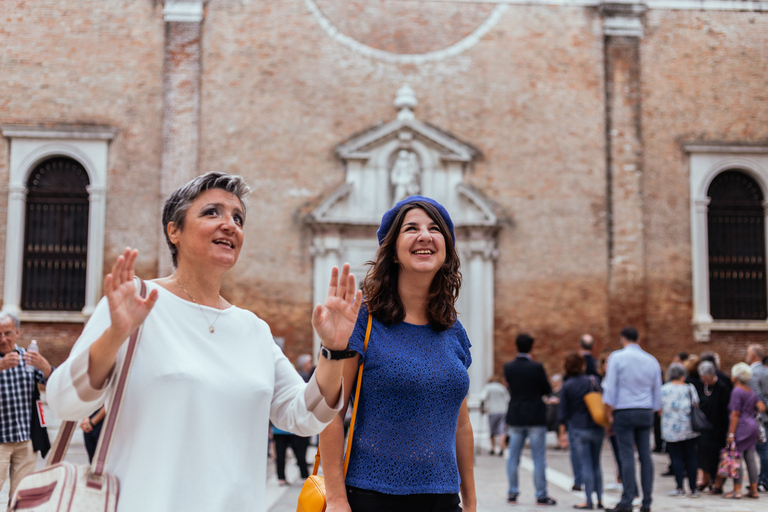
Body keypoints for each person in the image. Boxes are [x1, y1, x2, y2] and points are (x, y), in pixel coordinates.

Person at [46, 172, 362, 512]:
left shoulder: (252, 329)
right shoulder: (134, 303)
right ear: (174, 230)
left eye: (237, 218)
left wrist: (333, 350)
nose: (230, 225)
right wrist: (114, 336)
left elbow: (304, 416)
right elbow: (64, 402)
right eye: (212, 212)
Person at [319, 195, 476, 512]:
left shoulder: (453, 330)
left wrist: (470, 501)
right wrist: (336, 499)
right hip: (372, 497)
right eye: (411, 228)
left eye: (435, 229)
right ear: (392, 251)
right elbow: (331, 412)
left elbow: (460, 424)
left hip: (444, 500)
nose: (425, 235)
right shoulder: (364, 321)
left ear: (445, 251)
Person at [603, 327, 662, 512]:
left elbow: (610, 387)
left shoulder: (617, 357)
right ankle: (647, 502)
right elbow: (657, 389)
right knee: (645, 455)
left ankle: (627, 500)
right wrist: (654, 408)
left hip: (624, 410)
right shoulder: (651, 360)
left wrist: (608, 410)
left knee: (626, 455)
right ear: (638, 339)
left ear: (622, 339)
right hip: (645, 410)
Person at [0, 312, 54, 508]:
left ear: (17, 332)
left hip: (26, 438)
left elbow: (55, 383)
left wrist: (46, 367)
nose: (3, 339)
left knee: (21, 497)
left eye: (7, 333)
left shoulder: (28, 357)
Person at [504, 333, 557, 506]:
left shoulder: (509, 367)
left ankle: (512, 492)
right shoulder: (537, 367)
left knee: (513, 456)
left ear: (516, 346)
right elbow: (547, 389)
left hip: (516, 415)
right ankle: (541, 494)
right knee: (539, 457)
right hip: (535, 415)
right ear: (532, 347)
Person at [711, 362, 767, 499]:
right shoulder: (750, 390)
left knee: (737, 457)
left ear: (736, 376)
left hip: (741, 426)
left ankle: (737, 489)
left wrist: (730, 433)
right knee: (750, 458)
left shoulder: (736, 391)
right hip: (753, 425)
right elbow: (762, 407)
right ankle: (753, 489)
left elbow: (735, 414)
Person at [558, 353, 605, 510]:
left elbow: (562, 413)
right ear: (582, 366)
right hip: (597, 426)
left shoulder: (567, 385)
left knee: (586, 464)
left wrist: (562, 434)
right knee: (597, 464)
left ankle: (588, 500)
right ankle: (599, 499)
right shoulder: (593, 380)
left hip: (579, 428)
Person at [660, 363, 701, 498]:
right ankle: (694, 488)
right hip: (688, 427)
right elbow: (696, 404)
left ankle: (679, 488)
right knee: (691, 457)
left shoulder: (664, 389)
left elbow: (659, 409)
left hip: (671, 428)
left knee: (676, 457)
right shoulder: (689, 388)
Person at [694, 360, 731, 492]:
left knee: (718, 456)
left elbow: (726, 410)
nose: (706, 381)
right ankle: (705, 479)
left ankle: (718, 483)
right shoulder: (701, 386)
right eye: (703, 379)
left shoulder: (722, 387)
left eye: (708, 379)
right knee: (703, 454)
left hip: (719, 428)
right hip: (704, 427)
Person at [746, 344, 768, 492]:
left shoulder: (752, 372)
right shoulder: (765, 370)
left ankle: (763, 480)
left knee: (763, 450)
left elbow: (757, 396)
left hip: (761, 417)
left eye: (748, 353)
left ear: (753, 355)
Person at [480, 375, 510, 456]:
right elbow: (507, 399)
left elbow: (482, 397)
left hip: (492, 411)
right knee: (502, 429)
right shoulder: (502, 387)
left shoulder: (488, 387)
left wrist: (483, 407)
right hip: (503, 410)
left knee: (492, 430)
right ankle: (501, 447)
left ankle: (492, 448)